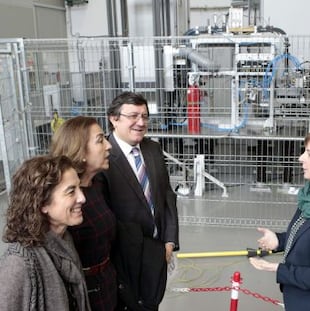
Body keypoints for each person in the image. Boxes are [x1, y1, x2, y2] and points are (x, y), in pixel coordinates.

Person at [249, 127, 310, 311]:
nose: (300, 158)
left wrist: (279, 269)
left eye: (309, 154)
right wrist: (279, 240)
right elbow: (307, 237)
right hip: (297, 296)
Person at [95, 91, 179, 311]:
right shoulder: (103, 159)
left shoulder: (153, 149)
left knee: (151, 303)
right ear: (114, 118)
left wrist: (170, 241)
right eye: (133, 116)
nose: (141, 123)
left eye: (145, 116)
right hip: (123, 258)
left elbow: (167, 196)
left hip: (157, 252)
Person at [0, 155, 90, 310]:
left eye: (79, 188)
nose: (82, 198)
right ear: (42, 203)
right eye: (71, 191)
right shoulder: (18, 263)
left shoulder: (64, 240)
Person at [50, 116, 117, 311]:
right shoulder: (64, 202)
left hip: (106, 284)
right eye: (100, 140)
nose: (108, 146)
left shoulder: (97, 185)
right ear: (81, 152)